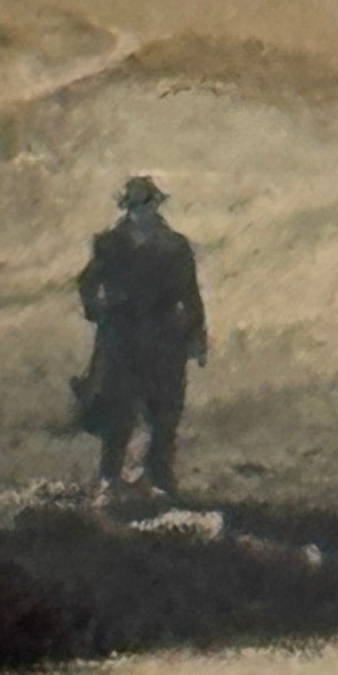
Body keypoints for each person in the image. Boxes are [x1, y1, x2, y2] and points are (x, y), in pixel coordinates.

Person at [75, 175, 207, 507]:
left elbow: (190, 296)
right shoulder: (109, 243)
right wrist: (97, 311)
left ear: (156, 206)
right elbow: (87, 282)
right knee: (118, 409)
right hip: (121, 337)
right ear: (127, 208)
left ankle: (158, 477)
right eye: (135, 206)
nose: (141, 212)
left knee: (164, 410)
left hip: (165, 339)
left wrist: (196, 337)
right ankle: (109, 477)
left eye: (147, 205)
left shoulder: (176, 246)